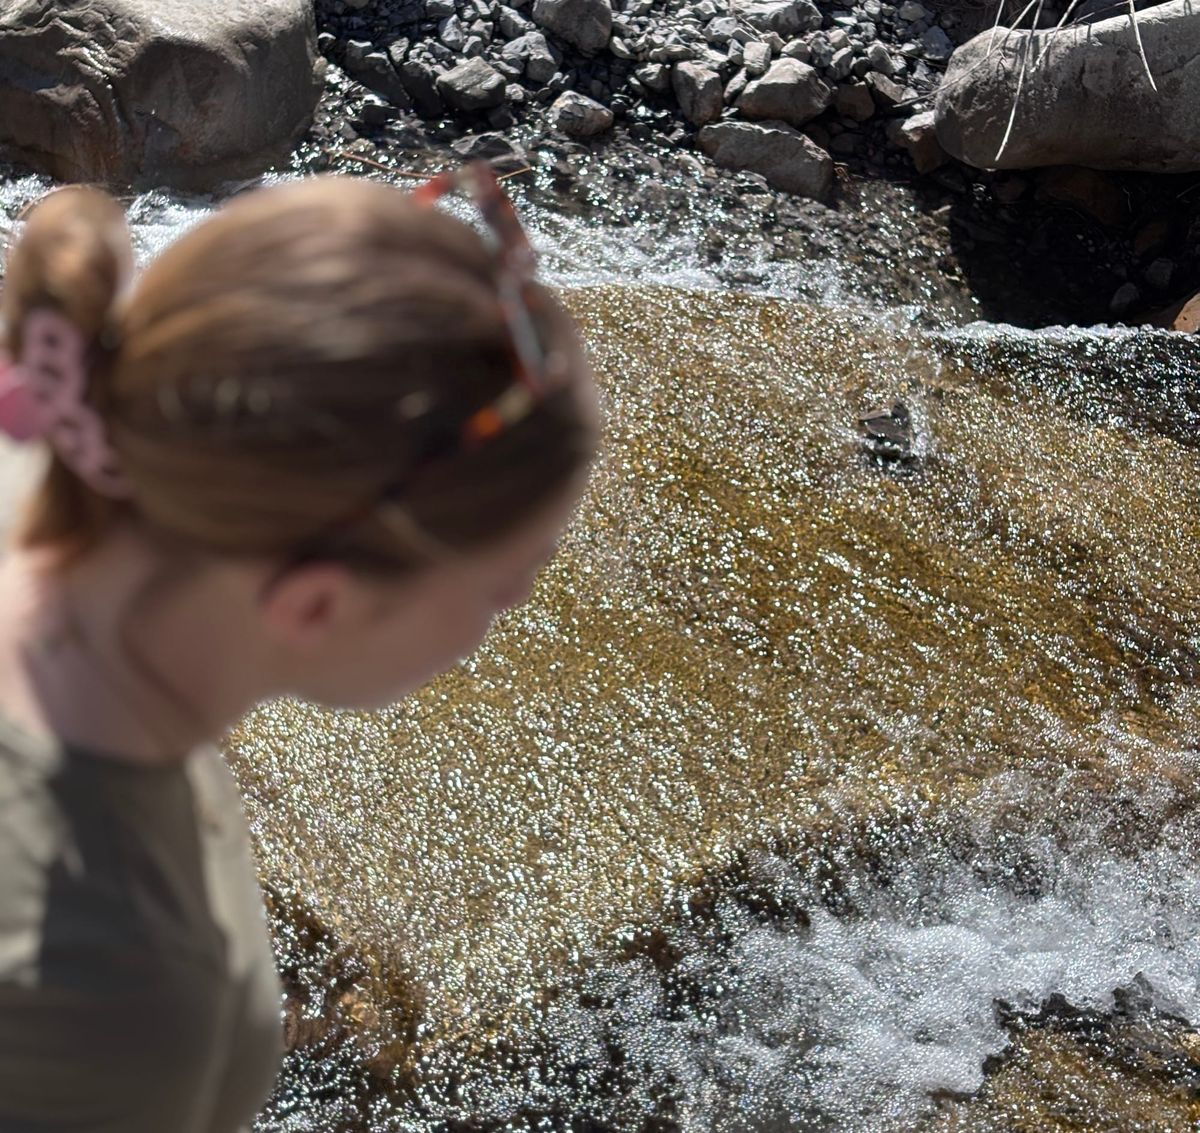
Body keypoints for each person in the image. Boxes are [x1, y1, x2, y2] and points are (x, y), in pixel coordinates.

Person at [0, 166, 598, 1132]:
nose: (516, 609)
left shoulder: (49, 454)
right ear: (317, 604)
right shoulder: (118, 1004)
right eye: (503, 587)